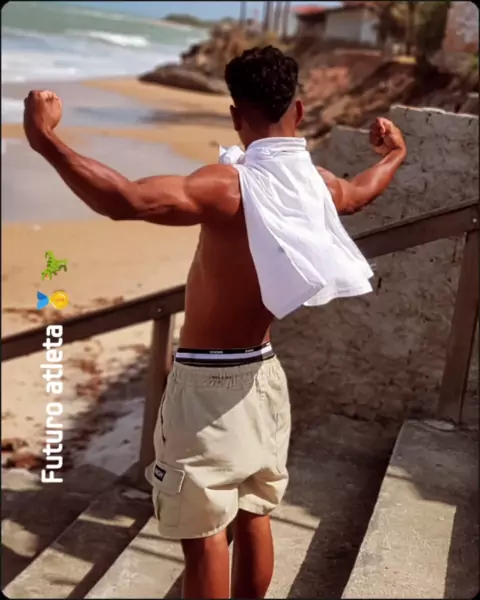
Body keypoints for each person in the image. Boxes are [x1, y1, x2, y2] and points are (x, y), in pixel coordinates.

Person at [23, 46, 406, 600]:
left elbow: (126, 200)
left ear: (234, 115)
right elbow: (361, 192)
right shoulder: (317, 185)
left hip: (206, 387)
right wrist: (396, 153)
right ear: (298, 111)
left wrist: (45, 140)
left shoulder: (227, 186)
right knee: (254, 514)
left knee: (203, 537)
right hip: (264, 375)